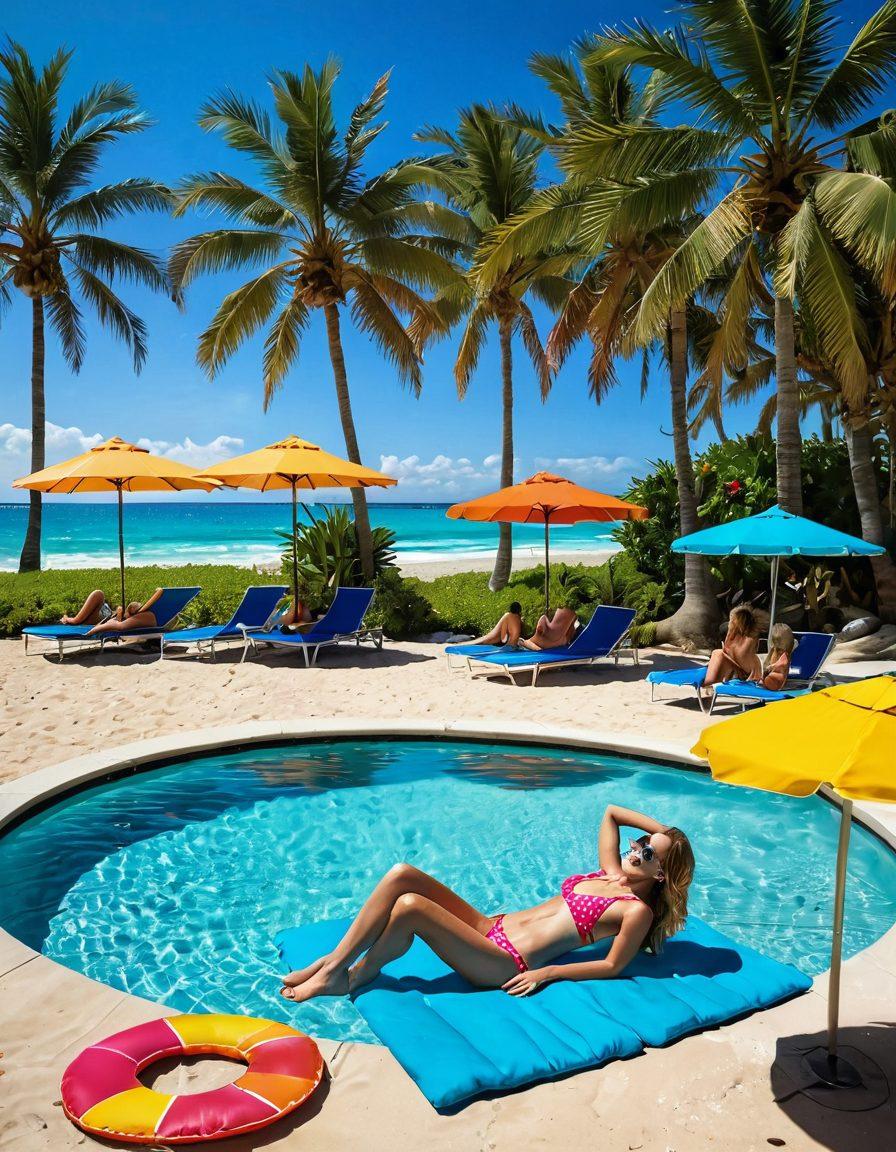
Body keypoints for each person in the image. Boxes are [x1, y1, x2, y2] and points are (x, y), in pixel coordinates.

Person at [280, 804, 694, 1002]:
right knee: (401, 873)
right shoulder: (611, 873)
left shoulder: (635, 910)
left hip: (505, 960)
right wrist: (665, 833)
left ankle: (349, 975)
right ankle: (337, 964)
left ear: (660, 876)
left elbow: (612, 966)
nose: (636, 851)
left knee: (409, 906)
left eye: (649, 855)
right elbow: (610, 814)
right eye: (640, 844)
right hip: (488, 927)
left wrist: (548, 972)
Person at [703, 605, 762, 689]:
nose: (730, 622)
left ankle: (708, 685)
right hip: (739, 669)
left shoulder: (749, 639)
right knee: (719, 654)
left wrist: (725, 657)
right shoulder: (736, 636)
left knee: (718, 654)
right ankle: (710, 685)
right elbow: (731, 655)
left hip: (747, 674)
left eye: (731, 620)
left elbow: (739, 657)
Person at [85, 588, 164, 636]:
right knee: (98, 594)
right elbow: (159, 591)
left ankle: (74, 620)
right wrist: (119, 614)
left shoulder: (143, 617)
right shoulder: (147, 615)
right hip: (105, 614)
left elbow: (119, 626)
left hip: (99, 620)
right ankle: (74, 620)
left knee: (98, 594)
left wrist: (90, 632)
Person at [758, 623, 796, 691]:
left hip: (776, 678)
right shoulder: (776, 652)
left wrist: (772, 666)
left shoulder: (785, 653)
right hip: (772, 677)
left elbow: (784, 665)